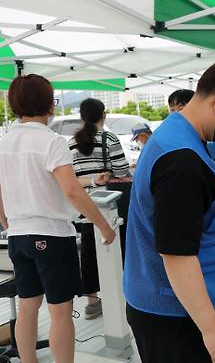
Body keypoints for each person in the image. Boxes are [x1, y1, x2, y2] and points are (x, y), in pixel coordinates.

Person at [124, 60, 215, 363]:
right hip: (172, 312)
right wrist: (210, 326)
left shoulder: (178, 134)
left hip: (178, 302)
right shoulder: (181, 162)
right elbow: (176, 254)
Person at [0, 75, 115, 363]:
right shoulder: (52, 141)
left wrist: (6, 222)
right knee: (60, 311)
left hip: (19, 234)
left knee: (27, 307)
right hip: (51, 235)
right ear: (50, 105)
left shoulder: (5, 141)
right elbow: (71, 190)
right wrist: (103, 224)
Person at [67, 98, 130, 320]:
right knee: (117, 247)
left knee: (88, 251)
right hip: (110, 203)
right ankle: (122, 295)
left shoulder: (71, 142)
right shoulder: (109, 138)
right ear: (103, 115)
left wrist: (90, 179)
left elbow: (72, 179)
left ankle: (92, 302)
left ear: (82, 116)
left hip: (85, 204)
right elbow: (122, 172)